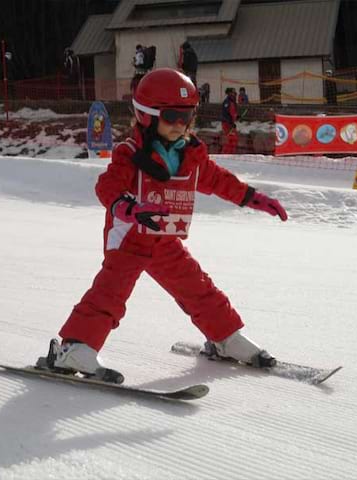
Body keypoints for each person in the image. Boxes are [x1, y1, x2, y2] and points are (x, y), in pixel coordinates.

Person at [46, 68, 288, 381]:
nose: (179, 125)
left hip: (163, 235)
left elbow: (217, 181)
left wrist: (254, 199)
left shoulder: (190, 153)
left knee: (197, 287)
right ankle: (74, 348)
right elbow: (107, 187)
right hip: (129, 235)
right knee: (111, 291)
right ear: (147, 116)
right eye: (171, 116)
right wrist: (129, 208)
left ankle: (225, 337)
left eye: (186, 117)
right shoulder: (130, 154)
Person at [221, 87, 238, 154]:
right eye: (233, 92)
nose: (234, 94)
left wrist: (236, 117)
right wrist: (230, 122)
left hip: (231, 123)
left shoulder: (232, 102)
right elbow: (226, 113)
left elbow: (233, 112)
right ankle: (226, 154)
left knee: (233, 139)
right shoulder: (227, 102)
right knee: (230, 139)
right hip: (227, 123)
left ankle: (231, 153)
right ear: (229, 93)